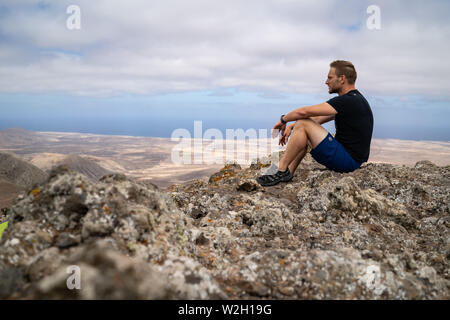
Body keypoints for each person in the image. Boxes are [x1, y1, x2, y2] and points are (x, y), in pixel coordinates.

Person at [257, 60, 374, 187]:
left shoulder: (348, 101)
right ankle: (288, 172)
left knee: (302, 123)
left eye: (330, 77)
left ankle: (280, 170)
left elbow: (304, 112)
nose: (326, 82)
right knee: (302, 127)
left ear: (342, 79)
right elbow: (317, 119)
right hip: (351, 160)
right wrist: (292, 126)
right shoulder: (356, 99)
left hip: (347, 162)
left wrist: (283, 120)